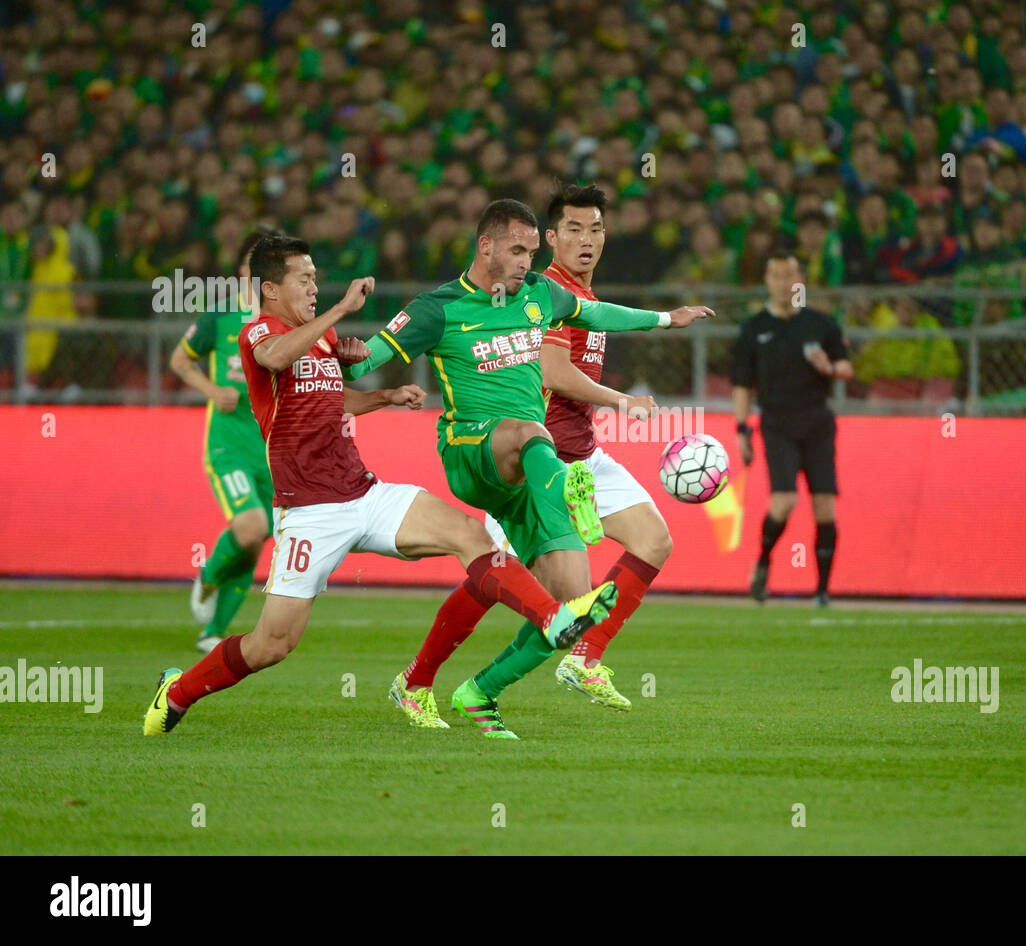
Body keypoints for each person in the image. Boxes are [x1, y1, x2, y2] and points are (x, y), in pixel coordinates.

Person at [143, 235, 619, 736]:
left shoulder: (316, 337)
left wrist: (385, 396)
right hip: (309, 513)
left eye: (315, 278)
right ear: (270, 289)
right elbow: (277, 359)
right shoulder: (261, 331)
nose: (314, 287)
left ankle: (553, 617)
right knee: (272, 645)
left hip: (363, 493)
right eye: (304, 279)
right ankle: (177, 691)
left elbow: (329, 396)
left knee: (470, 535)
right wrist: (342, 310)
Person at [343, 200, 712, 737]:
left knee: (570, 598)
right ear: (485, 246)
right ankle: (569, 488)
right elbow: (370, 355)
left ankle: (472, 692)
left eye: (530, 253)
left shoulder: (541, 294)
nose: (525, 262)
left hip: (532, 470)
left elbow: (596, 312)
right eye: (517, 251)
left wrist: (665, 319)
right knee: (528, 432)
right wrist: (345, 348)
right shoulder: (438, 307)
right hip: (474, 450)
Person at [475, 183, 672, 711]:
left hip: (582, 456)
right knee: (501, 587)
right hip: (541, 462)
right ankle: (431, 678)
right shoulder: (551, 294)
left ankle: (584, 659)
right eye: (574, 229)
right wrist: (623, 400)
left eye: (596, 228)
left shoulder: (584, 295)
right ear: (551, 237)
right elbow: (555, 373)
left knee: (652, 540)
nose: (587, 239)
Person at [170, 226, 276, 652]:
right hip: (228, 444)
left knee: (257, 540)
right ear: (243, 270)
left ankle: (213, 631)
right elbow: (180, 360)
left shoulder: (283, 322)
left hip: (269, 448)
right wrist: (214, 392)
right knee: (250, 527)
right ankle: (209, 576)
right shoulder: (219, 315)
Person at [731, 249, 852, 607]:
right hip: (777, 424)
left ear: (801, 281)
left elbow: (847, 369)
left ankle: (823, 591)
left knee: (825, 507)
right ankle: (763, 564)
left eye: (791, 275)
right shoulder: (754, 330)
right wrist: (742, 430)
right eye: (777, 276)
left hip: (817, 422)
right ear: (767, 281)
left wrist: (828, 367)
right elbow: (742, 385)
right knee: (783, 503)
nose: (785, 283)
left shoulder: (821, 324)